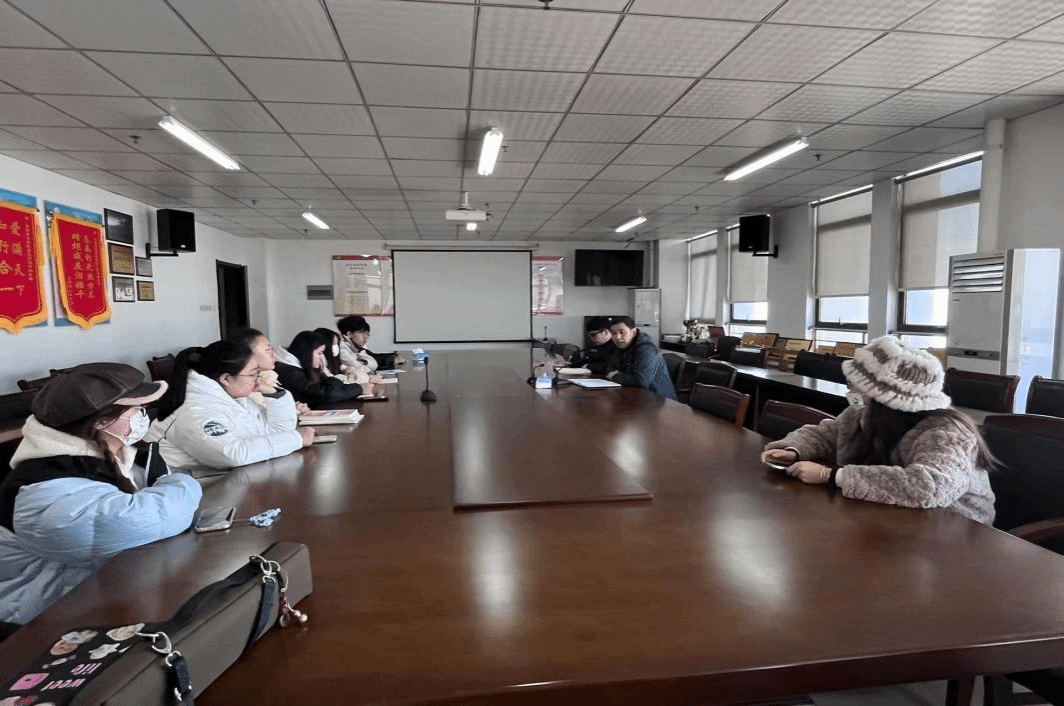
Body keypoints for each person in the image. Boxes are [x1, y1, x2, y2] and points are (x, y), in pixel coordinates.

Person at [0, 363, 202, 625]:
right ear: (102, 422)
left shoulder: (119, 450)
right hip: (42, 614)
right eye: (137, 409)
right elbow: (150, 518)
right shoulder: (43, 486)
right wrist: (182, 482)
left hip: (103, 587)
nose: (144, 415)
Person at [760, 335, 995, 524]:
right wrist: (793, 450)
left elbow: (929, 487)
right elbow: (827, 433)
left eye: (855, 384)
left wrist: (831, 475)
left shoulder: (948, 432)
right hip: (892, 519)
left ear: (885, 396)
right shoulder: (866, 411)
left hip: (954, 532)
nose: (850, 390)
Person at [146, 340, 313, 470]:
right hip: (187, 486)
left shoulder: (234, 397)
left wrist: (273, 394)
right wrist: (297, 438)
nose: (258, 380)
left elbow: (276, 432)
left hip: (225, 478)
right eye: (253, 374)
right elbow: (232, 455)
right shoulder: (193, 410)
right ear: (226, 378)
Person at [225, 327, 310, 415]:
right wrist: (292, 412)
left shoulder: (269, 376)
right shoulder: (241, 386)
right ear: (245, 353)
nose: (274, 354)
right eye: (268, 350)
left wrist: (293, 409)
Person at [275, 330, 367, 406]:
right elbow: (326, 394)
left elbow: (328, 384)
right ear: (307, 353)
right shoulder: (288, 372)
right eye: (319, 353)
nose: (321, 357)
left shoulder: (302, 367)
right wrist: (359, 388)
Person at [605, 316, 677, 400]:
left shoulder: (646, 349)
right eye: (614, 333)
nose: (617, 337)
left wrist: (615, 376)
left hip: (659, 399)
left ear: (633, 332)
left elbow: (641, 381)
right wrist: (618, 375)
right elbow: (610, 367)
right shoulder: (621, 345)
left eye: (622, 332)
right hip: (636, 396)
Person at [337, 315, 403, 374]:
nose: (365, 337)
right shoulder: (342, 349)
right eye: (362, 333)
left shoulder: (356, 347)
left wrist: (363, 362)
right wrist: (366, 365)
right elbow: (359, 370)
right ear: (349, 334)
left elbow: (374, 364)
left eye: (367, 334)